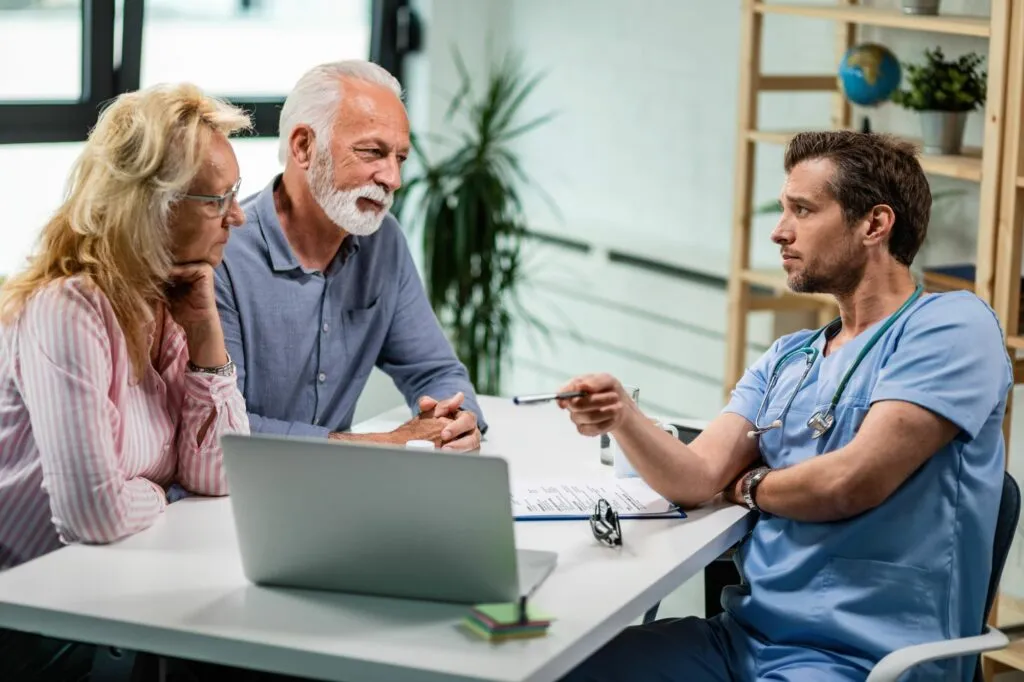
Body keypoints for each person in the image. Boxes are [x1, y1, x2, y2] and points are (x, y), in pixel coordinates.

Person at [556, 131, 1012, 682]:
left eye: (802, 210)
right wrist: (622, 416)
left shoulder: (951, 328)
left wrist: (746, 485)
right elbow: (696, 475)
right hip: (741, 641)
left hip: (866, 662)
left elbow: (849, 482)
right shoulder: (788, 357)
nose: (779, 232)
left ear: (874, 224)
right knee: (555, 666)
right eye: (783, 210)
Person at [0, 83, 252, 679]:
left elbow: (218, 474)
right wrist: (161, 491)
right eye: (218, 200)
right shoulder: (69, 308)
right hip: (24, 614)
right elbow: (92, 514)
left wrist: (205, 334)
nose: (237, 217)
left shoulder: (166, 303)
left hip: (97, 593)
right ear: (153, 204)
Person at [214, 60, 483, 451]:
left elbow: (436, 371)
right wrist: (374, 445)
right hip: (228, 495)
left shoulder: (383, 241)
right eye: (372, 152)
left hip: (336, 492)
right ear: (303, 146)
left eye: (401, 158)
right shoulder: (224, 253)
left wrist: (456, 421)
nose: (394, 179)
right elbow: (220, 429)